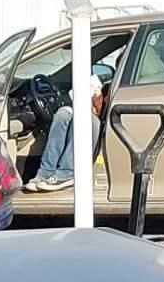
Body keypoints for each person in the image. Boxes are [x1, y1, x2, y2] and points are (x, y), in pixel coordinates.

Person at [27, 55, 116, 191]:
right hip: (89, 115)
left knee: (84, 118)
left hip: (100, 125)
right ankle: (45, 172)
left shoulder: (114, 90)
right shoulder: (103, 86)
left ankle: (67, 172)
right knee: (64, 112)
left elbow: (102, 113)